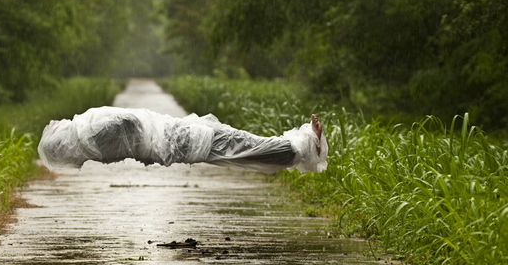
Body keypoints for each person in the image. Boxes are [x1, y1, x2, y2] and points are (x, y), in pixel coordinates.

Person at [37, 107, 328, 174]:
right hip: (182, 141)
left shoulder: (89, 137)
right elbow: (130, 126)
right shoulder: (89, 138)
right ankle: (304, 146)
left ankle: (304, 145)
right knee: (247, 150)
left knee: (248, 150)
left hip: (182, 140)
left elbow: (129, 125)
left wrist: (144, 148)